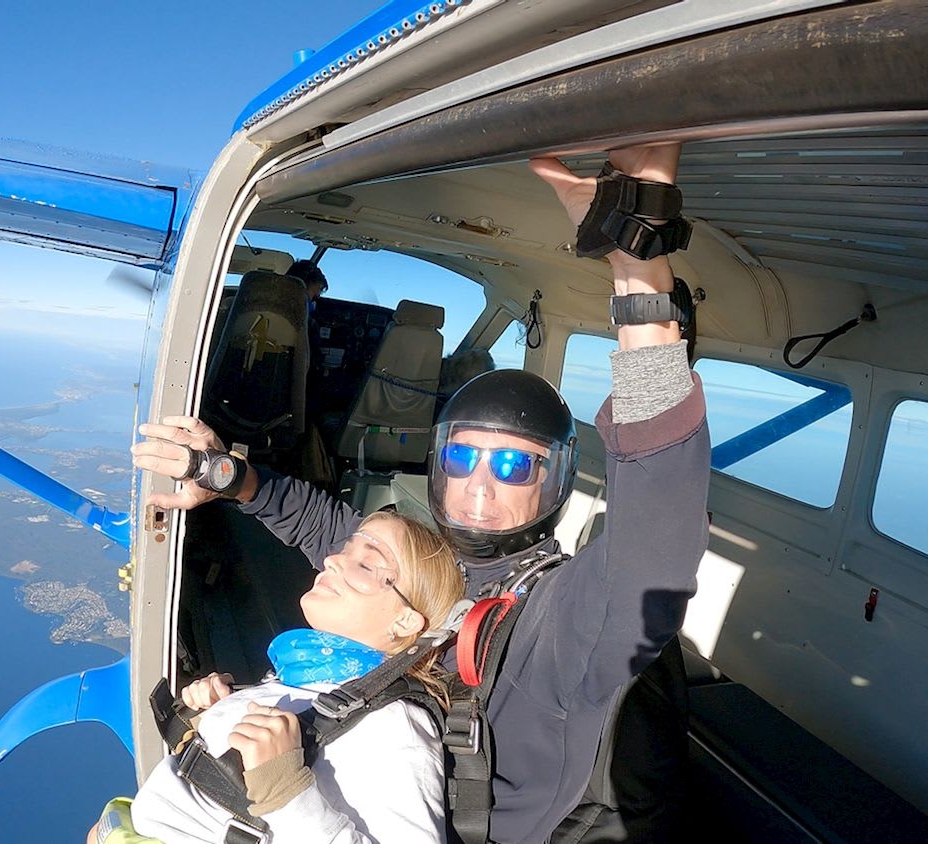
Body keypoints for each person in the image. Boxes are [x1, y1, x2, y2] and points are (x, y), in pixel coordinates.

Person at [134, 143, 708, 843]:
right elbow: (327, 528)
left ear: (554, 483)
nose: (478, 483)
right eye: (464, 454)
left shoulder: (555, 621)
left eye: (515, 467)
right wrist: (228, 476)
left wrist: (636, 266)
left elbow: (655, 541)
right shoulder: (429, 562)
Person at [90, 510, 464, 844]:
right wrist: (218, 721)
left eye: (367, 565)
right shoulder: (302, 686)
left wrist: (287, 792)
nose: (332, 561)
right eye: (346, 550)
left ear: (405, 621)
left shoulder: (395, 726)